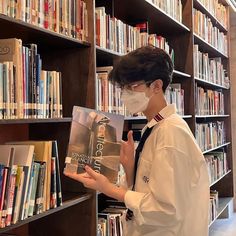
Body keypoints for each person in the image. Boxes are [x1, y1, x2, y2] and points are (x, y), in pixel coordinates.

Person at [64, 45, 210, 236]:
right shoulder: (155, 126)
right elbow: (150, 188)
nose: (125, 95)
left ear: (157, 86)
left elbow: (167, 210)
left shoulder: (170, 133)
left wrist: (110, 189)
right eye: (123, 88)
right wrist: (131, 167)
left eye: (132, 87)